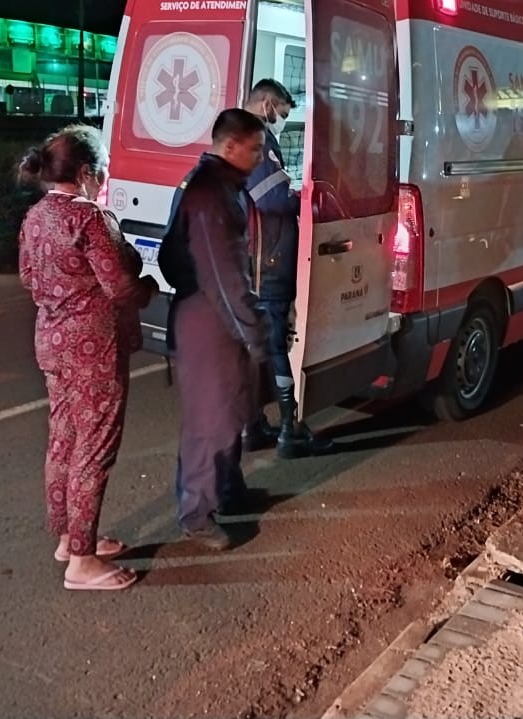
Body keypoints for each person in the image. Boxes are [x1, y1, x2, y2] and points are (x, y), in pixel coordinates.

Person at [18, 124, 157, 591]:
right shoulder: (90, 219)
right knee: (94, 448)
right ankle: (81, 562)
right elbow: (120, 287)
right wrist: (148, 289)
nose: (105, 178)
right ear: (85, 172)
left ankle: (69, 538)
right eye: (103, 171)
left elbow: (27, 279)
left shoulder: (35, 217)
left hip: (51, 341)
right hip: (93, 346)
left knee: (63, 438)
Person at [158, 108, 270, 549]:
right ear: (230, 146)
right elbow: (223, 278)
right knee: (210, 419)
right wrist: (254, 331)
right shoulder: (210, 196)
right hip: (209, 319)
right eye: (256, 148)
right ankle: (196, 514)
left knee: (230, 412)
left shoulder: (218, 186)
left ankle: (228, 491)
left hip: (213, 315)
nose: (261, 156)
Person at [241, 79, 333, 458]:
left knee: (256, 345)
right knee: (275, 341)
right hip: (269, 261)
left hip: (258, 259)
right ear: (266, 104)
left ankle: (252, 425)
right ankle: (289, 429)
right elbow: (272, 197)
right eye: (280, 112)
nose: (280, 119)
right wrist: (306, 201)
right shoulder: (256, 140)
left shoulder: (240, 135)